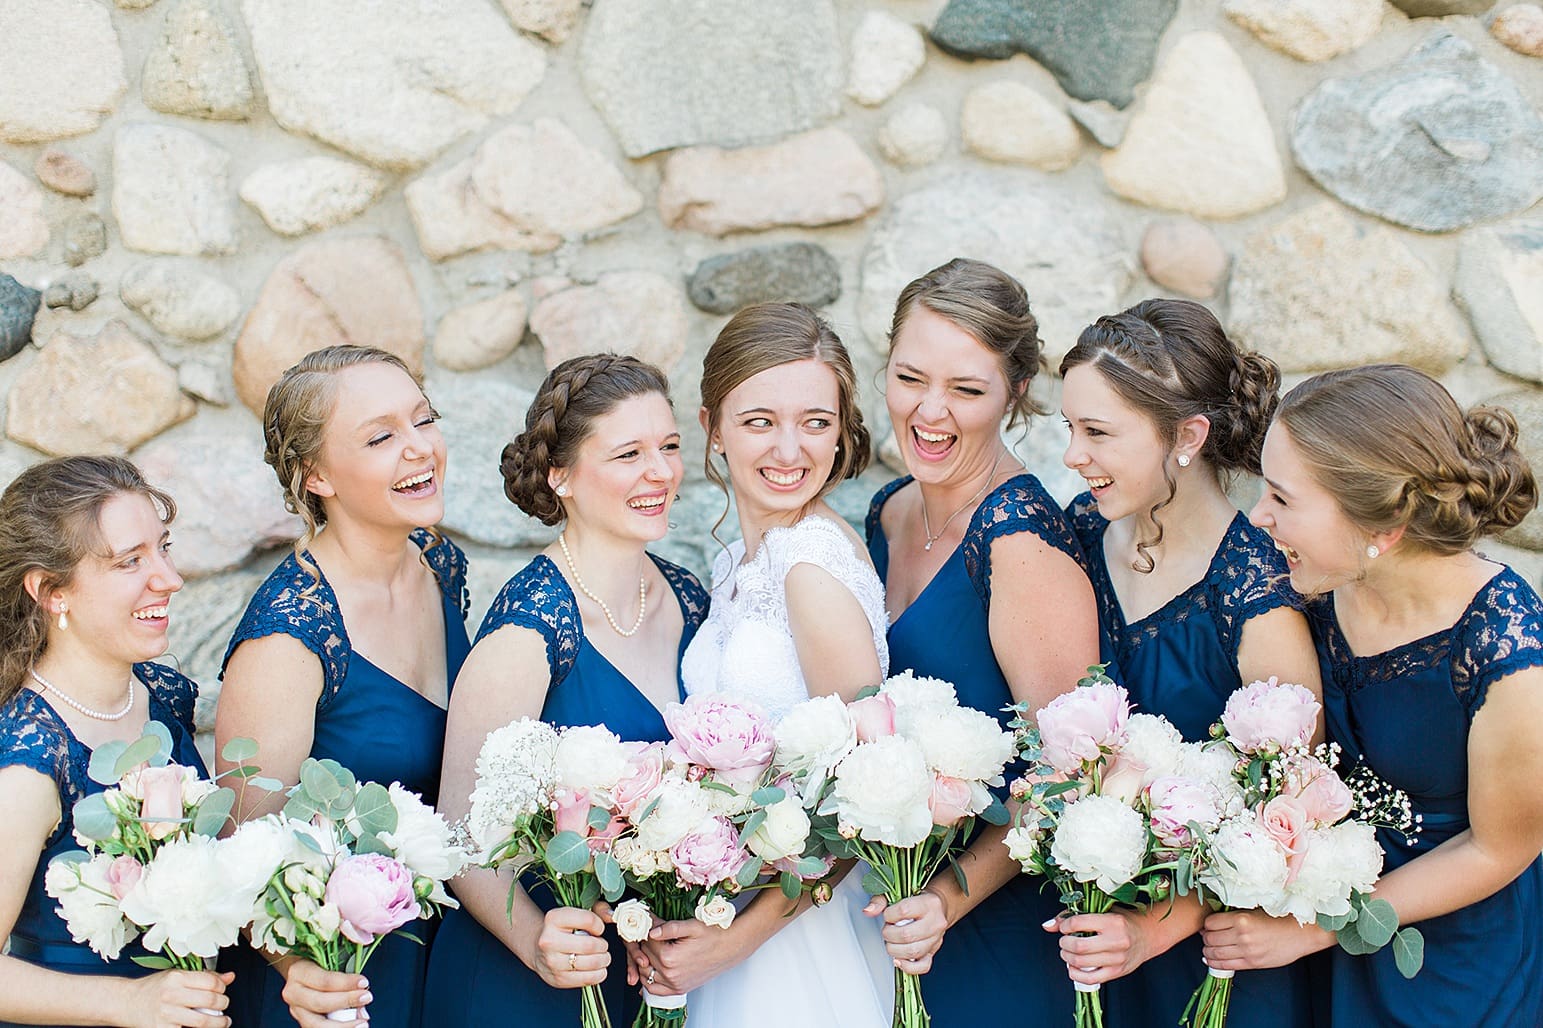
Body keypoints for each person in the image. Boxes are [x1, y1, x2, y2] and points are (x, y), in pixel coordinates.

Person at [1202, 365, 1543, 1026]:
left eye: (1281, 497)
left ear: (1380, 528)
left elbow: (1501, 849)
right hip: (1323, 941)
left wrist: (1319, 928)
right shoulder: (1327, 582)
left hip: (1454, 968)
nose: (1258, 516)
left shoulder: (1506, 655)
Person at [1056, 299, 1322, 1025]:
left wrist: (1153, 929)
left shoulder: (1257, 591)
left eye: (1097, 433)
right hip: (1089, 941)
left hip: (1213, 959)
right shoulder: (1076, 536)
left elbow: (1289, 811)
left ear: (1186, 435)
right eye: (1069, 429)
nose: (1072, 455)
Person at [424, 354, 708, 1027]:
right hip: (528, 979)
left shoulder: (689, 597)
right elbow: (459, 835)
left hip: (641, 970)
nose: (661, 472)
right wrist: (534, 941)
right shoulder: (528, 631)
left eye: (668, 447)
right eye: (628, 454)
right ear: (561, 475)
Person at [634, 303, 891, 1027]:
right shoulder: (737, 559)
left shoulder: (809, 567)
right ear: (712, 427)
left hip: (792, 939)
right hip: (731, 912)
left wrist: (736, 942)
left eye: (816, 421)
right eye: (759, 422)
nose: (790, 450)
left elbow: (863, 801)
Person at [863, 258, 1102, 1028]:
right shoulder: (890, 509)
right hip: (884, 920)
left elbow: (1070, 773)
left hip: (989, 929)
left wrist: (946, 897)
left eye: (966, 390)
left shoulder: (1021, 542)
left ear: (1014, 394)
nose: (930, 413)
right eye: (909, 377)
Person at [216, 346, 471, 1028]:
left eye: (424, 420)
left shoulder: (438, 563)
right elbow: (243, 853)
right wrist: (302, 974)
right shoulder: (288, 639)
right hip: (335, 987)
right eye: (382, 436)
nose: (419, 449)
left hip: (443, 956)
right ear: (317, 475)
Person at [0, 455, 233, 1028]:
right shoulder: (29, 759)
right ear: (52, 591)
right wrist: (125, 1002)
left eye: (163, 547)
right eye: (131, 561)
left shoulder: (159, 693)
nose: (170, 579)